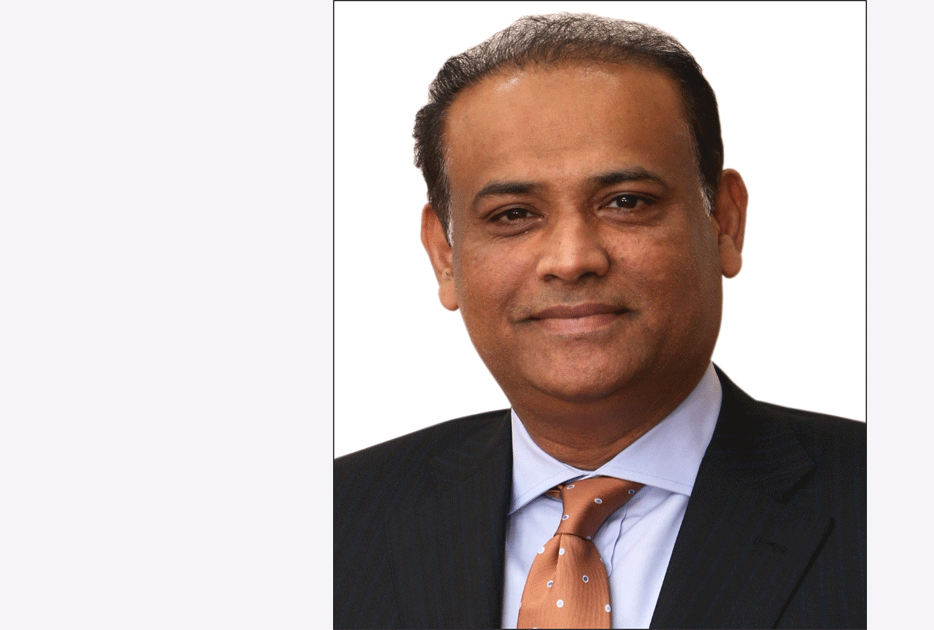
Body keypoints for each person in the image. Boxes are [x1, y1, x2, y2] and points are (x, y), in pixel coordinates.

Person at [334, 13, 865, 629]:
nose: (572, 259)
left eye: (626, 202)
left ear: (725, 221)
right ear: (444, 255)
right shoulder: (336, 521)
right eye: (513, 215)